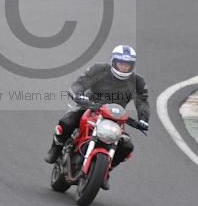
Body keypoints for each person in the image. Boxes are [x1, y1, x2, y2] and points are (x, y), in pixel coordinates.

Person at [44, 45, 150, 189]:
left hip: (115, 118)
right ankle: (55, 149)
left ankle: (106, 170)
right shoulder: (99, 69)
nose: (124, 67)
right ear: (113, 61)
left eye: (128, 65)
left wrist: (143, 119)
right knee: (66, 122)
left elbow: (142, 101)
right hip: (90, 107)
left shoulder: (137, 81)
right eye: (121, 63)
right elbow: (80, 83)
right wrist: (77, 94)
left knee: (127, 147)